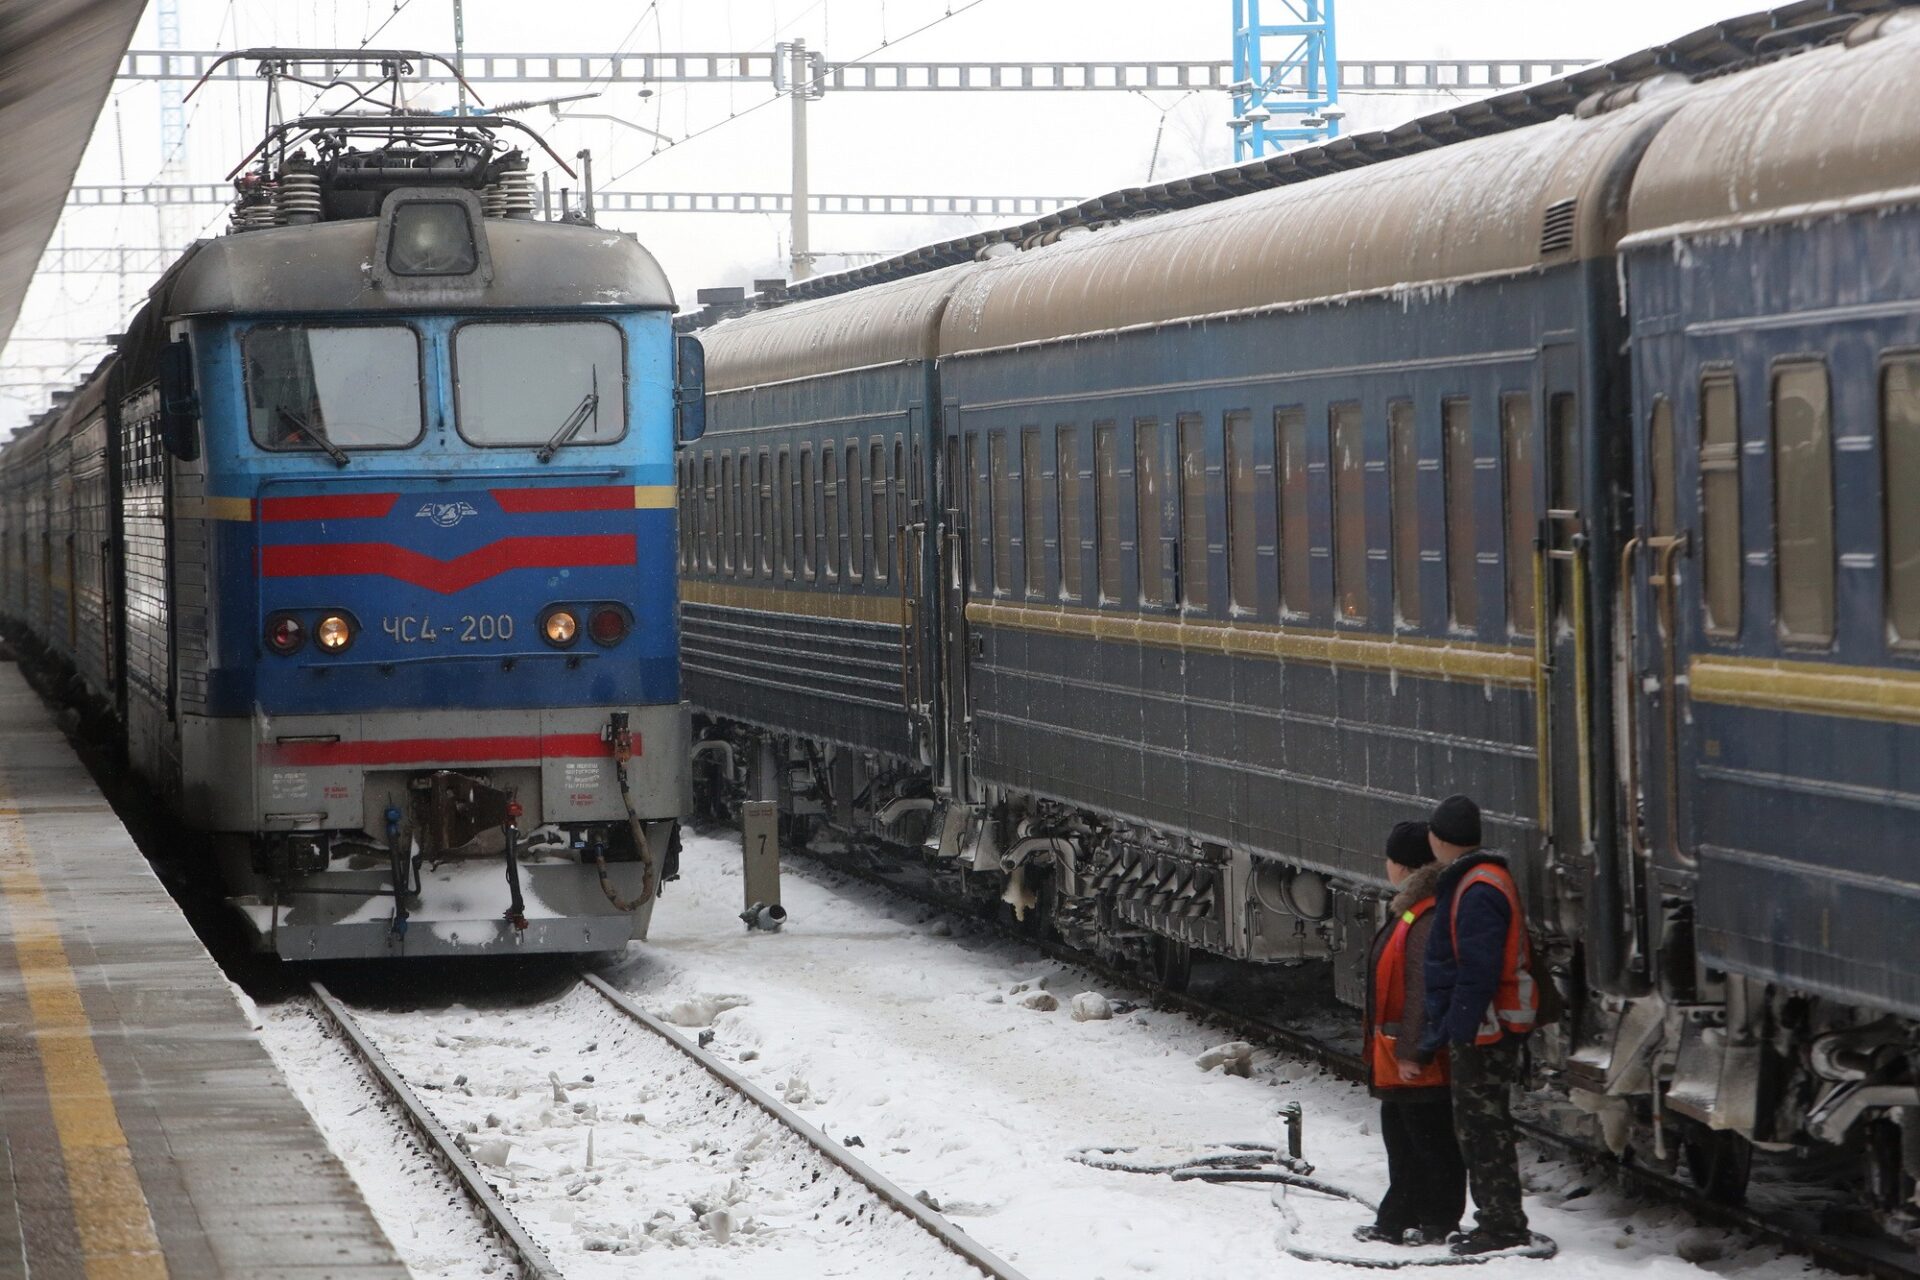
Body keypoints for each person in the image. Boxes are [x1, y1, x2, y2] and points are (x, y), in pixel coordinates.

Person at [1415, 794, 1540, 1256]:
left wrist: (1460, 1028)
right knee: (1481, 1124)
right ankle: (1498, 1219)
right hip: (1489, 1021)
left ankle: (1503, 1224)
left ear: (1438, 839)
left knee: (1481, 1127)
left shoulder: (1478, 888)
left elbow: (1478, 969)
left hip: (1490, 1025)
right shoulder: (1480, 879)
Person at [1354, 820, 1466, 1248]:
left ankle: (1422, 1219)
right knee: (1407, 1135)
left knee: (1425, 1139)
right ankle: (1409, 1217)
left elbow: (1422, 988)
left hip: (1413, 1057)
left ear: (1402, 866)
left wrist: (1415, 1050)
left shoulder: (1425, 915)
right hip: (1399, 1052)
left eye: (1389, 859)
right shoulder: (1415, 910)